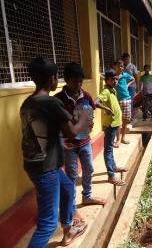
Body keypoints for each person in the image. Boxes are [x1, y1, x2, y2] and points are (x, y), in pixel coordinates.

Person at [20, 58, 88, 247]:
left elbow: (39, 131)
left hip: (38, 163)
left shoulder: (28, 103)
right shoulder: (50, 102)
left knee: (67, 189)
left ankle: (68, 231)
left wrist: (58, 141)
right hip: (45, 168)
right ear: (52, 79)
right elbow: (73, 133)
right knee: (48, 224)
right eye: (56, 76)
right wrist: (84, 117)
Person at [55, 63, 106, 225]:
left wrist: (89, 124)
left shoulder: (87, 96)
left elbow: (90, 113)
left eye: (80, 81)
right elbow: (54, 124)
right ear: (67, 80)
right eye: (75, 81)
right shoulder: (58, 100)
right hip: (69, 145)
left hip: (85, 142)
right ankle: (72, 207)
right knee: (71, 175)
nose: (78, 85)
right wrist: (61, 141)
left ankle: (87, 196)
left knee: (89, 168)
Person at [95, 70, 128, 185]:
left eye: (116, 79)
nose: (115, 81)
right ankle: (111, 175)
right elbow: (95, 102)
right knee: (108, 149)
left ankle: (113, 167)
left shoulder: (112, 90)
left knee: (110, 147)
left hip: (114, 124)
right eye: (112, 79)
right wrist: (106, 109)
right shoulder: (105, 91)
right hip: (110, 125)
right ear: (107, 80)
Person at [112, 60, 135, 145]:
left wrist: (127, 85)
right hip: (117, 101)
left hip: (127, 100)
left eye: (122, 66)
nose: (121, 68)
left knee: (125, 121)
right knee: (118, 121)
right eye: (119, 66)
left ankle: (123, 138)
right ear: (114, 66)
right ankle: (118, 140)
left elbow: (133, 79)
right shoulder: (113, 76)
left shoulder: (125, 75)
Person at [122, 53, 138, 121]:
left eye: (128, 59)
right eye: (125, 59)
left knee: (130, 101)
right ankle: (125, 116)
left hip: (131, 86)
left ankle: (130, 117)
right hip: (123, 86)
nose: (126, 60)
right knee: (124, 101)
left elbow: (136, 76)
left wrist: (137, 86)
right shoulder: (121, 66)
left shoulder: (132, 66)